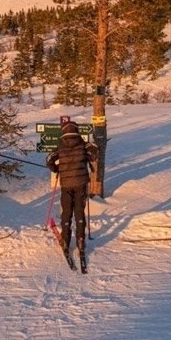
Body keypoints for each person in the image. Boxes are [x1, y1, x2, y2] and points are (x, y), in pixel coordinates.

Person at [45, 116, 98, 271]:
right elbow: (94, 152)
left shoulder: (60, 146)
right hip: (81, 183)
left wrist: (56, 169)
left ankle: (66, 241)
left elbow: (49, 159)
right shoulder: (83, 144)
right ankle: (81, 240)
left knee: (67, 212)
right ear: (76, 131)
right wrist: (88, 155)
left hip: (66, 185)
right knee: (79, 212)